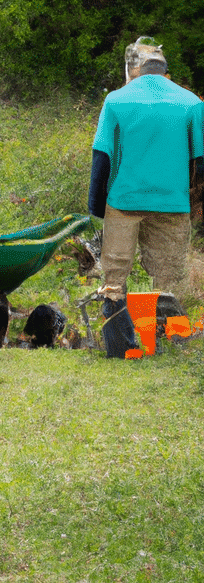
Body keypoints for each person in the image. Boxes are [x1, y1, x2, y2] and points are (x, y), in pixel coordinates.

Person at [88, 39, 204, 358]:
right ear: (166, 72)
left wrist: (97, 209)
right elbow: (201, 161)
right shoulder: (192, 103)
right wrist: (193, 200)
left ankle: (122, 350)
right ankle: (166, 344)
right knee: (165, 276)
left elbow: (102, 159)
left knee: (115, 278)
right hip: (172, 203)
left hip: (124, 202)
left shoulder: (116, 100)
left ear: (133, 70)